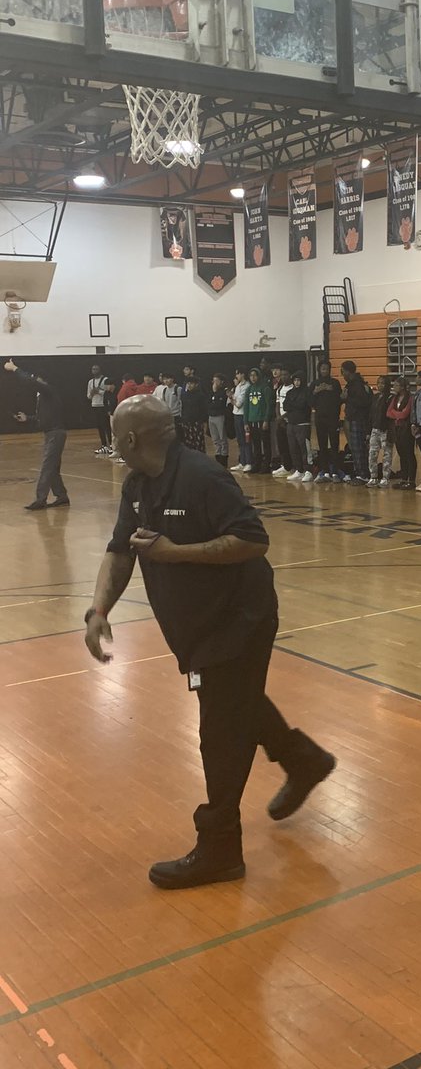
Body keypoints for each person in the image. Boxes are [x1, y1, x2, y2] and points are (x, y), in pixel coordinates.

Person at [83, 395, 336, 889]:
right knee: (235, 702)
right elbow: (120, 551)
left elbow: (253, 539)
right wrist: (98, 611)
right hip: (194, 627)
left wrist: (176, 554)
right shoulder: (137, 484)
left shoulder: (202, 476)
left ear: (130, 439)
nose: (113, 441)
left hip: (240, 620)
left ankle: (220, 848)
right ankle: (304, 760)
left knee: (220, 733)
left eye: (115, 433)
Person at [5, 359, 70, 511]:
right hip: (51, 433)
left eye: (37, 377)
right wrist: (28, 418)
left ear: (43, 380)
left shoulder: (48, 390)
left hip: (56, 434)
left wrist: (15, 368)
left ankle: (40, 499)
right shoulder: (43, 397)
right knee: (52, 468)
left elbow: (30, 381)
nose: (35, 380)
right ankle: (62, 496)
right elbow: (43, 418)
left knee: (47, 466)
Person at [340, 360, 372, 483]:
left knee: (358, 447)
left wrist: (347, 399)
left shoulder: (357, 385)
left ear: (348, 371)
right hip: (354, 418)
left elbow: (363, 402)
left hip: (358, 419)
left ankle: (362, 474)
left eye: (343, 372)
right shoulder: (353, 384)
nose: (343, 375)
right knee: (357, 447)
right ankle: (361, 472)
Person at [312, 361, 343, 482]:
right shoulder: (314, 384)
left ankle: (335, 471)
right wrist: (315, 392)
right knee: (322, 445)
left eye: (326, 368)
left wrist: (331, 390)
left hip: (333, 418)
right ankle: (324, 471)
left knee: (334, 445)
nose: (324, 370)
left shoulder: (335, 383)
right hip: (320, 419)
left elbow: (340, 400)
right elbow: (310, 401)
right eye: (322, 369)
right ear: (319, 370)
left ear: (329, 370)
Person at [283, 369, 314, 482]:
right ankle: (299, 470)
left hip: (303, 424)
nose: (296, 382)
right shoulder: (290, 392)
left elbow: (303, 405)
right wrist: (295, 405)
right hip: (291, 424)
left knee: (304, 448)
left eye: (298, 380)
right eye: (295, 380)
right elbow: (286, 405)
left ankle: (308, 470)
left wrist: (294, 405)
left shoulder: (307, 392)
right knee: (293, 448)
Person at [386, 377, 415, 488]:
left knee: (409, 454)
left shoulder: (410, 398)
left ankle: (411, 480)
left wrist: (396, 414)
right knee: (402, 454)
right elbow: (388, 412)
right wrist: (398, 414)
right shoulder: (395, 398)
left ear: (402, 387)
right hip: (396, 429)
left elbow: (405, 414)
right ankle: (404, 478)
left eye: (396, 385)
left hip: (406, 429)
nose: (394, 387)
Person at [245, 367, 274, 473]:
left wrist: (266, 420)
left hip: (262, 421)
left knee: (265, 444)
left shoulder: (265, 388)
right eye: (251, 375)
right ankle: (257, 464)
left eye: (255, 375)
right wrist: (245, 422)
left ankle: (266, 465)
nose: (253, 378)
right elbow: (246, 407)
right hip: (252, 421)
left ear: (259, 376)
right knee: (255, 444)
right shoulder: (249, 389)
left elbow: (269, 405)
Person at [367, 376, 394, 487]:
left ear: (387, 384)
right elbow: (371, 414)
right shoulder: (375, 397)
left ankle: (385, 477)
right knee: (372, 454)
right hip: (375, 429)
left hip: (386, 430)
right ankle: (373, 476)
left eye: (383, 383)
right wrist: (368, 431)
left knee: (387, 455)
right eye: (378, 383)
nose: (380, 385)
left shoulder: (391, 398)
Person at [271, 366, 295, 478]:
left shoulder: (293, 389)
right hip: (280, 421)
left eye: (286, 375)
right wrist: (278, 417)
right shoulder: (279, 389)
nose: (283, 377)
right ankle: (285, 466)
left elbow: (292, 407)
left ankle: (293, 466)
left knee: (291, 445)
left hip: (289, 421)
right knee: (282, 445)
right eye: (282, 375)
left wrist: (283, 417)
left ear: (290, 376)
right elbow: (277, 404)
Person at [229, 367, 252, 473]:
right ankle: (242, 462)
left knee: (246, 440)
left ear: (242, 374)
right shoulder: (238, 386)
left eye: (238, 374)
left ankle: (249, 462)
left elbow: (239, 404)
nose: (236, 376)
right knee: (240, 440)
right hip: (236, 415)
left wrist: (231, 398)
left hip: (243, 415)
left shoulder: (246, 386)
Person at [87, 363, 112, 453]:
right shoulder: (90, 382)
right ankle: (103, 445)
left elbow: (109, 391)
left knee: (106, 426)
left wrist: (99, 391)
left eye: (96, 369)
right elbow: (88, 396)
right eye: (93, 369)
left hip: (103, 405)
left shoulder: (105, 380)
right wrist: (93, 393)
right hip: (95, 405)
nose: (94, 371)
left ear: (100, 370)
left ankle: (111, 445)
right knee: (99, 426)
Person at [208, 373, 230, 468]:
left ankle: (224, 460)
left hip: (220, 416)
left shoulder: (224, 392)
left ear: (221, 382)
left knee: (222, 439)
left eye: (217, 380)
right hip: (211, 417)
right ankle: (217, 458)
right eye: (214, 380)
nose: (215, 383)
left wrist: (215, 396)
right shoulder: (211, 392)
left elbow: (220, 405)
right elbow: (208, 404)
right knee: (215, 439)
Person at [180, 378, 207, 452]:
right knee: (187, 442)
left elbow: (204, 409)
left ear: (196, 385)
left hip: (197, 422)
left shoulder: (200, 395)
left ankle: (200, 458)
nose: (189, 385)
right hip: (186, 422)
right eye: (188, 383)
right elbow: (183, 408)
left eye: (191, 383)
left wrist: (201, 421)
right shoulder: (184, 395)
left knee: (198, 442)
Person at [154, 371, 183, 439]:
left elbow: (181, 403)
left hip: (177, 416)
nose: (166, 381)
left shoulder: (178, 389)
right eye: (164, 379)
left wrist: (181, 416)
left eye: (167, 378)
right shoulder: (165, 390)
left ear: (172, 379)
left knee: (179, 436)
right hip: (169, 416)